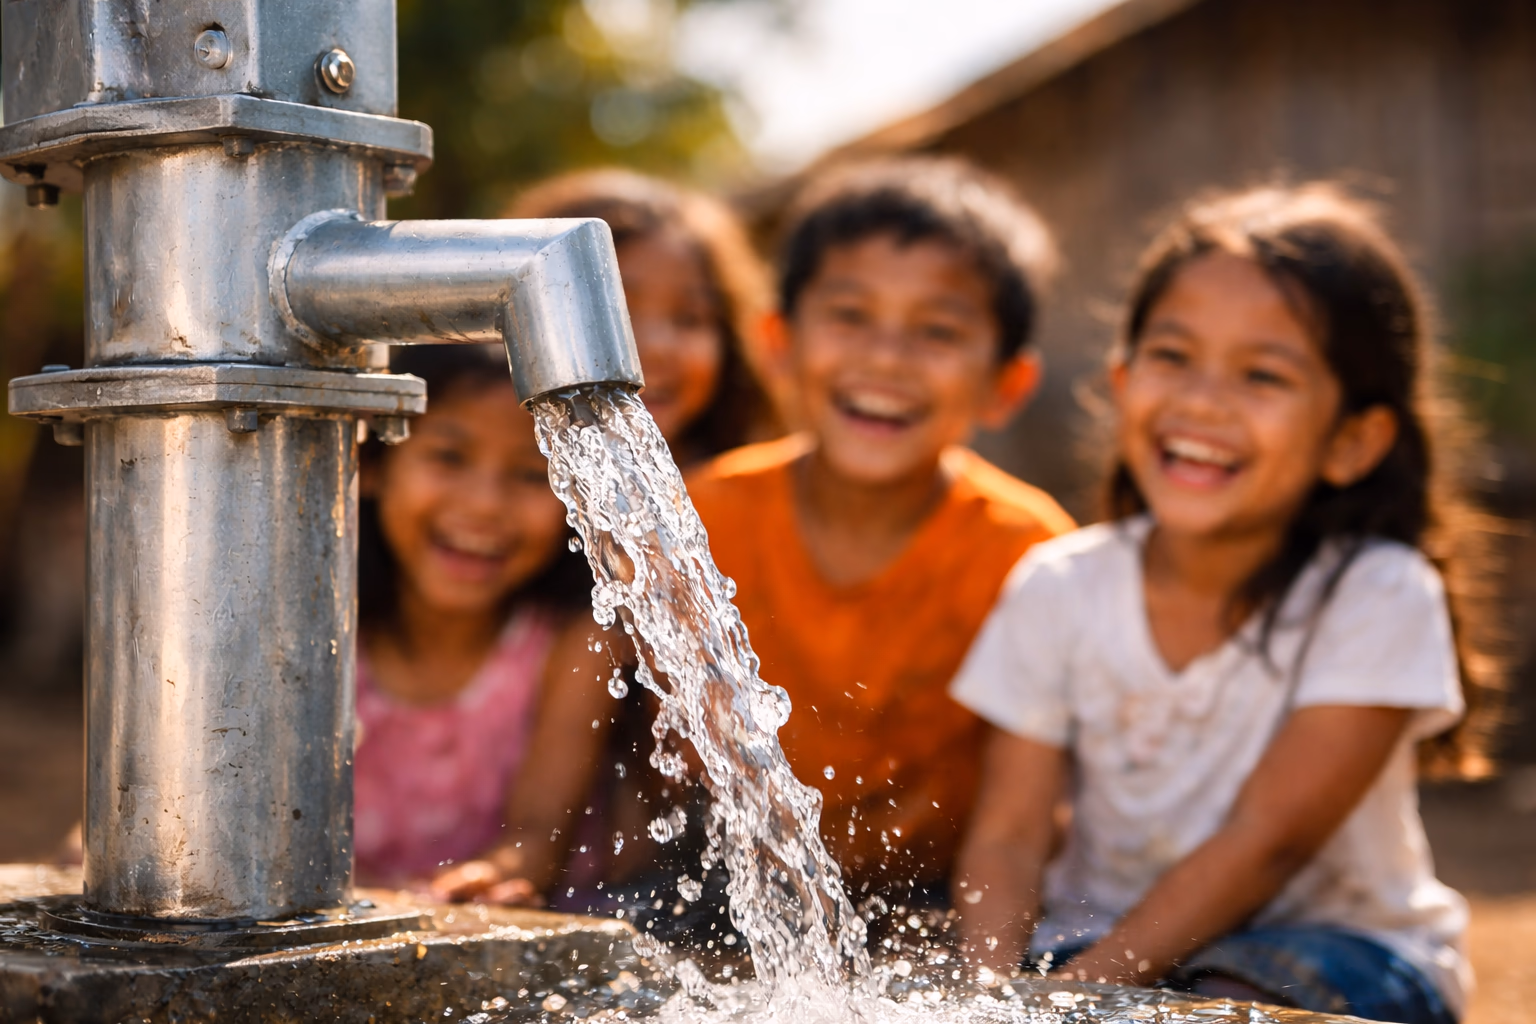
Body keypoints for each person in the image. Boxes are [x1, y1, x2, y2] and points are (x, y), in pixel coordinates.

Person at [950, 184, 1498, 1024]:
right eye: (1173, 357)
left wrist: (1078, 1000)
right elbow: (1009, 834)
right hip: (1095, 939)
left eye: (1262, 374)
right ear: (1124, 382)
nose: (1202, 402)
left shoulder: (1376, 594)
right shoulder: (1057, 585)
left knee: (1220, 1007)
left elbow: (1266, 842)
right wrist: (989, 998)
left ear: (1352, 441)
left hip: (1340, 945)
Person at [686, 158, 1075, 906]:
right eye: (851, 315)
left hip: (934, 893)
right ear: (778, 343)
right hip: (728, 880)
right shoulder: (707, 515)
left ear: (1006, 385)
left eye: (938, 330)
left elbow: (1030, 808)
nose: (886, 358)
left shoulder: (1026, 551)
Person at [505, 169, 782, 901]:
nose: (651, 347)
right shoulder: (488, 501)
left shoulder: (731, 507)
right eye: (613, 309)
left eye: (689, 319)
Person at [353, 344, 612, 903]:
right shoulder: (325, 631)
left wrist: (495, 878)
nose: (484, 505)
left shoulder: (574, 642)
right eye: (449, 457)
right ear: (374, 465)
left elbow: (537, 835)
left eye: (528, 473)